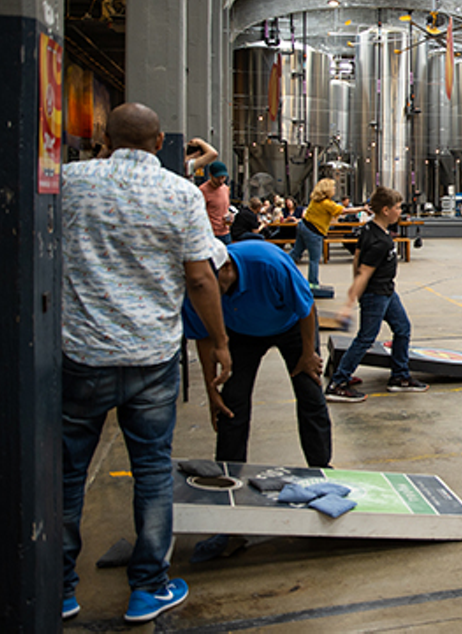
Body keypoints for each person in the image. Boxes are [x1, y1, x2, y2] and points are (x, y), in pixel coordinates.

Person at [61, 102, 229, 623]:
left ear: (104, 140)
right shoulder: (180, 193)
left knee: (67, 473)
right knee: (153, 471)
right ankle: (148, 587)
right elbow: (202, 278)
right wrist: (220, 342)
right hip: (152, 357)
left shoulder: (70, 182)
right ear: (161, 143)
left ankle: (60, 586)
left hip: (81, 351)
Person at [183, 240, 331, 467]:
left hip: (291, 325)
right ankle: (229, 471)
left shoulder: (268, 264)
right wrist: (211, 390)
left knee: (309, 391)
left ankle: (321, 467)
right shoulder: (197, 286)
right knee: (232, 401)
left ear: (227, 269)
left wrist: (308, 354)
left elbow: (306, 306)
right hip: (241, 332)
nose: (206, 291)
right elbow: (204, 338)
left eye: (210, 284)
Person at [327, 186, 428, 402]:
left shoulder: (370, 230)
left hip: (387, 291)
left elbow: (356, 257)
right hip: (376, 294)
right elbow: (363, 271)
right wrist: (349, 302)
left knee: (402, 328)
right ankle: (339, 382)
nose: (400, 211)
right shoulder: (378, 241)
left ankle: (400, 377)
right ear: (385, 210)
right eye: (398, 208)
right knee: (366, 337)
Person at [293, 178, 345, 289]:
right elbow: (342, 211)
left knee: (296, 253)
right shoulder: (326, 203)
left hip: (304, 226)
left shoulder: (315, 200)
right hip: (314, 231)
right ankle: (313, 283)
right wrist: (361, 208)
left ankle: (279, 266)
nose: (335, 189)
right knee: (314, 259)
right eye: (333, 187)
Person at [200, 160, 232, 244]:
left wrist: (230, 216)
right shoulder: (203, 191)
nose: (221, 180)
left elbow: (226, 208)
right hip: (210, 234)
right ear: (210, 175)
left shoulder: (225, 189)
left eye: (223, 177)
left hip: (225, 232)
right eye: (218, 177)